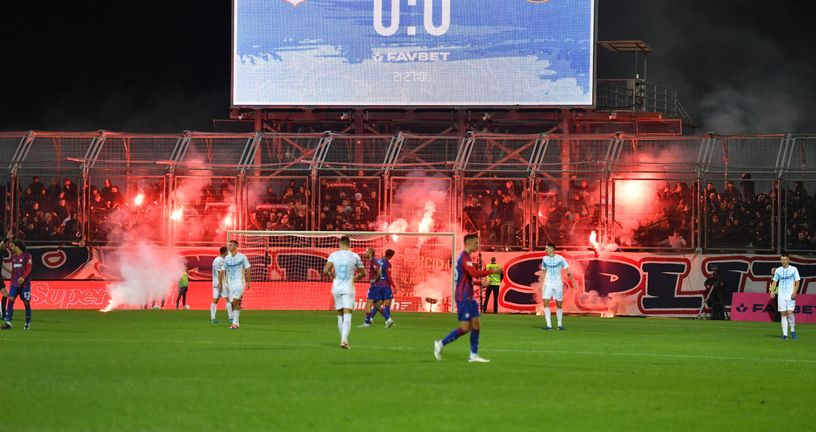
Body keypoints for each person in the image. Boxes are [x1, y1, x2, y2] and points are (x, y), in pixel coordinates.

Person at [434, 233, 501, 362]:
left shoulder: (467, 258)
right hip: (463, 297)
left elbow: (468, 279)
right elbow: (474, 274)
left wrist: (481, 283)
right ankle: (441, 343)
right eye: (476, 243)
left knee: (476, 324)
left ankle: (473, 355)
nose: (478, 245)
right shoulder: (463, 258)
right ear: (469, 243)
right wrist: (492, 271)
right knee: (465, 328)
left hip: (470, 296)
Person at [323, 236, 366, 349]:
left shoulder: (333, 255)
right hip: (348, 289)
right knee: (347, 315)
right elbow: (363, 273)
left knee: (339, 316)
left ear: (340, 244)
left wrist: (332, 275)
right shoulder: (355, 256)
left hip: (336, 289)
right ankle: (344, 340)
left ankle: (343, 339)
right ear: (349, 244)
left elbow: (325, 271)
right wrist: (356, 277)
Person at [540, 243, 575, 330]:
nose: (546, 250)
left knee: (559, 304)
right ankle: (549, 325)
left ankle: (559, 324)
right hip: (548, 283)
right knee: (545, 301)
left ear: (552, 249)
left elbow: (567, 271)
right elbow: (543, 271)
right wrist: (541, 284)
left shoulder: (560, 259)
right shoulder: (544, 259)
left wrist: (573, 282)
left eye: (547, 248)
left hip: (558, 284)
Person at [2, 240, 33, 330]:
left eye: (13, 246)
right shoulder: (14, 257)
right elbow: (14, 270)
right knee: (11, 299)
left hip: (25, 285)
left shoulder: (27, 256)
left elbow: (29, 268)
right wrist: (12, 281)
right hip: (14, 284)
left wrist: (23, 278)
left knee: (26, 303)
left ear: (17, 247)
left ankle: (27, 323)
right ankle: (8, 322)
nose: (11, 247)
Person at [769, 254, 800, 340]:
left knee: (790, 313)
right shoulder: (778, 270)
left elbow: (797, 282)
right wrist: (772, 291)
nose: (783, 261)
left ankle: (793, 331)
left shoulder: (794, 269)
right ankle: (785, 334)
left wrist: (795, 292)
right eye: (782, 259)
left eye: (785, 259)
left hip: (790, 294)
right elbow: (775, 281)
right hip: (781, 295)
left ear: (789, 260)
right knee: (783, 314)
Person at [224, 240, 251, 330]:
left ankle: (235, 324)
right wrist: (223, 283)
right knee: (232, 303)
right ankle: (235, 322)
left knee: (235, 301)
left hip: (239, 282)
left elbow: (248, 269)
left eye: (230, 245)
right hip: (230, 283)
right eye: (228, 245)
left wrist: (248, 282)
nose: (229, 247)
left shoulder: (242, 257)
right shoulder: (227, 258)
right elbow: (223, 270)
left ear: (236, 246)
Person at [374, 249, 397, 328]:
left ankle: (369, 319)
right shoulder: (388, 264)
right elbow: (389, 276)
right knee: (387, 303)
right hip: (385, 285)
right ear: (390, 256)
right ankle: (388, 320)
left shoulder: (378, 261)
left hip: (377, 284)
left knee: (378, 303)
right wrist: (394, 286)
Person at [210, 246, 233, 324]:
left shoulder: (215, 260)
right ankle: (231, 318)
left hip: (215, 282)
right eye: (227, 251)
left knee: (215, 300)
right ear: (224, 252)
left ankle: (212, 318)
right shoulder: (221, 261)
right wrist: (220, 284)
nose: (228, 253)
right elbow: (220, 272)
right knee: (228, 299)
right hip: (220, 282)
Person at [360, 248, 381, 328]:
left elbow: (379, 271)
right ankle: (388, 319)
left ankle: (367, 323)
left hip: (375, 286)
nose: (365, 253)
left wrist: (375, 280)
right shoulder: (371, 261)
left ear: (371, 253)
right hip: (376, 286)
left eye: (367, 252)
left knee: (368, 304)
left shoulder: (374, 261)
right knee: (377, 305)